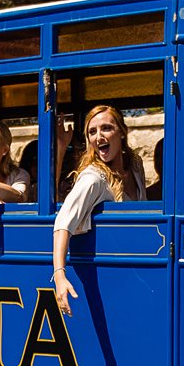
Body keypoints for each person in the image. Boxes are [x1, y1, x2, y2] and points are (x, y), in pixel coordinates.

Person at [52, 104, 146, 317]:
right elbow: (63, 222)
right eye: (92, 132)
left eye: (106, 128)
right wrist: (59, 275)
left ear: (122, 132)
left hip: (134, 262)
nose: (98, 136)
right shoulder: (94, 177)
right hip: (111, 270)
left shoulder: (136, 166)